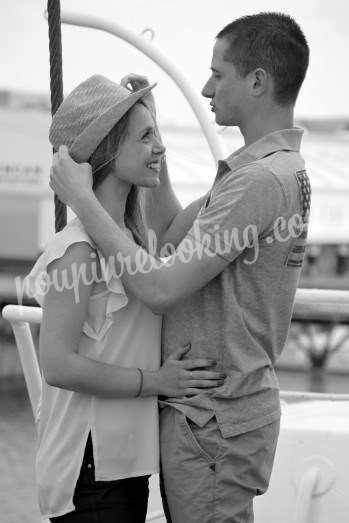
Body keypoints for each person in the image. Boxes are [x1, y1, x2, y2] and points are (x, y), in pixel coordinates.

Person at [50, 12, 311, 523]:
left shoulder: (257, 181)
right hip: (220, 417)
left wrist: (83, 200)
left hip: (215, 418)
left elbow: (161, 286)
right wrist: (154, 136)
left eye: (219, 73)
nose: (208, 86)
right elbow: (170, 232)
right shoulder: (274, 170)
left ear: (258, 81)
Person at [26, 74, 225, 522]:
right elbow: (56, 365)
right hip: (89, 468)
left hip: (122, 463)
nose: (161, 146)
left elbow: (170, 221)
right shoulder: (76, 250)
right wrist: (158, 382)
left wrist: (146, 112)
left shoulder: (136, 244)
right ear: (110, 151)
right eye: (146, 136)